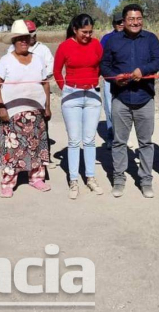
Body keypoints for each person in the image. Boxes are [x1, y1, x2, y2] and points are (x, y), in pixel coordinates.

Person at [100, 4, 159, 198]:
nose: (135, 22)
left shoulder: (151, 39)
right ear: (124, 20)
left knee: (146, 142)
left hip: (145, 98)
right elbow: (104, 65)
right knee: (120, 142)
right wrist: (115, 77)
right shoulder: (113, 41)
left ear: (142, 19)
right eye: (131, 19)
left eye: (138, 19)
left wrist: (142, 71)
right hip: (121, 99)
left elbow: (157, 61)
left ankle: (145, 180)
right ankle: (118, 179)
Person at [0, 20, 52, 198]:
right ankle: (8, 182)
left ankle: (36, 178)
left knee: (35, 145)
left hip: (36, 111)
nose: (23, 41)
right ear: (13, 41)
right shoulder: (6, 60)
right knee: (12, 148)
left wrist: (47, 106)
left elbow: (45, 84)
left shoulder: (38, 59)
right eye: (19, 39)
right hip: (13, 112)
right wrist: (1, 107)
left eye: (26, 38)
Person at [54, 14, 104, 199]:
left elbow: (99, 66)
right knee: (74, 141)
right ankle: (73, 180)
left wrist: (92, 81)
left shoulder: (96, 44)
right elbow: (57, 71)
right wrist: (65, 89)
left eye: (90, 32)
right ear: (75, 29)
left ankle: (90, 177)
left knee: (90, 140)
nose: (88, 35)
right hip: (71, 96)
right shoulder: (65, 46)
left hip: (92, 95)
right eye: (84, 32)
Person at [99, 13, 124, 149]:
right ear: (113, 24)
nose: (120, 24)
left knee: (123, 109)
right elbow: (101, 59)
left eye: (122, 21)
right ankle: (111, 137)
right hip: (110, 79)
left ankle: (121, 137)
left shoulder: (130, 37)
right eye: (118, 22)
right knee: (110, 108)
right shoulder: (107, 38)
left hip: (126, 79)